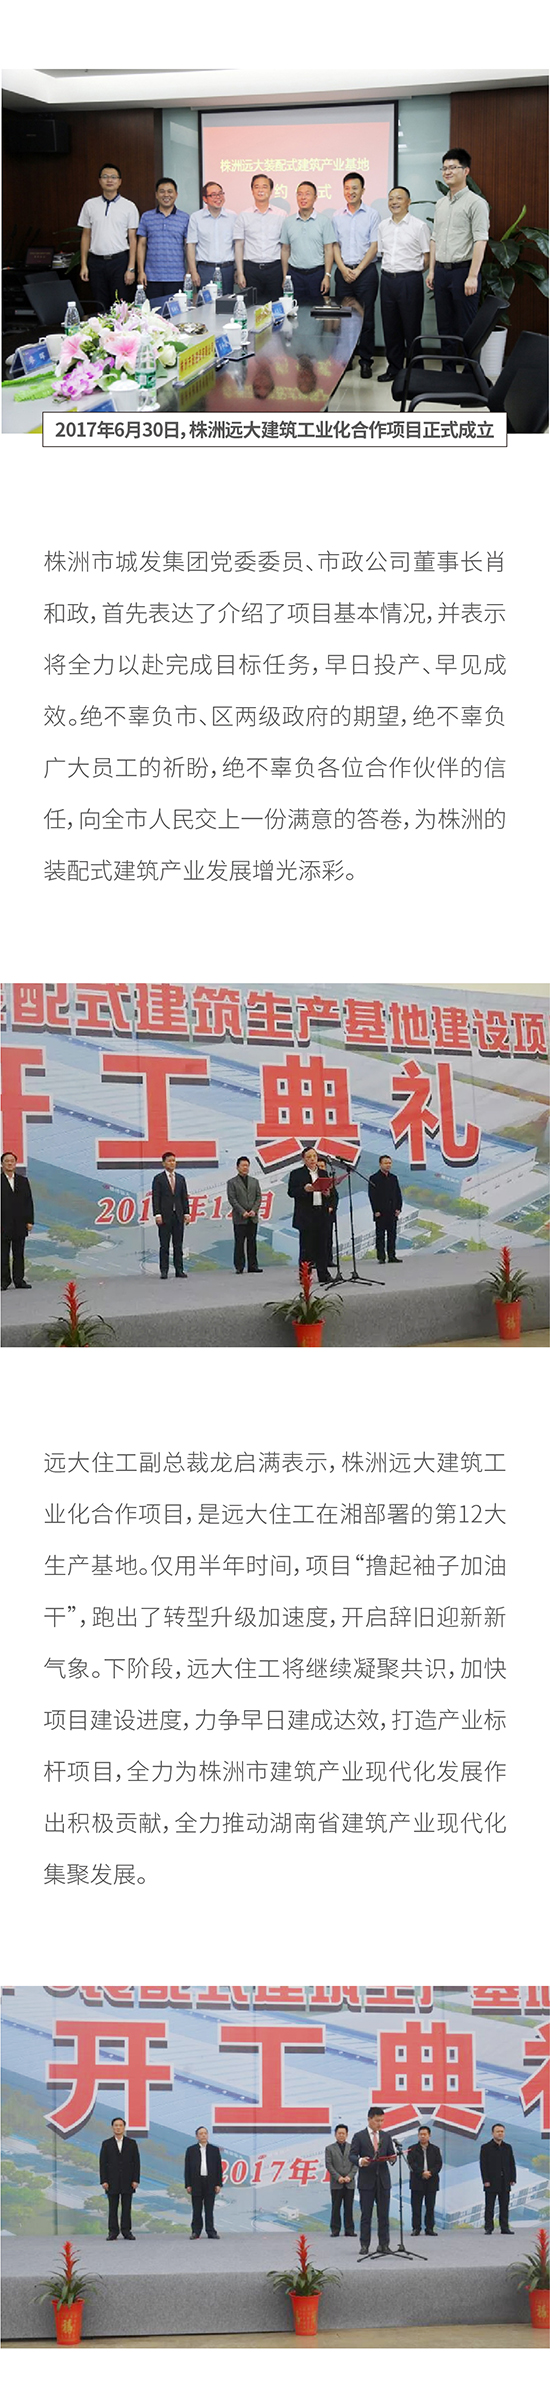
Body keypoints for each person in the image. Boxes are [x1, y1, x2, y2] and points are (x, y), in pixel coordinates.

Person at [427, 149, 489, 359]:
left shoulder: (476, 203)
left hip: (463, 272)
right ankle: (448, 371)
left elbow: (481, 240)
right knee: (445, 327)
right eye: (444, 168)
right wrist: (432, 271)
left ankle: (471, 375)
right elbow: (434, 238)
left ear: (466, 171)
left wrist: (472, 276)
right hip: (442, 273)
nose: (447, 172)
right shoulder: (441, 204)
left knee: (467, 328)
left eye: (453, 167)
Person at [377, 187, 430, 382]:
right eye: (391, 198)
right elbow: (383, 253)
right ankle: (394, 369)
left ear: (408, 202)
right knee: (390, 327)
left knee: (411, 328)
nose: (394, 202)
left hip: (410, 281)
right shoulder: (383, 226)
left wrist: (411, 273)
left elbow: (427, 257)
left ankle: (416, 371)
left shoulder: (419, 226)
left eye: (399, 198)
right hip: (387, 281)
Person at [332, 172, 380, 379]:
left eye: (354, 188)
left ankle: (366, 361)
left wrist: (359, 269)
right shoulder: (336, 216)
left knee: (366, 318)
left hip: (366, 272)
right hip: (343, 272)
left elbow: (374, 245)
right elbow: (334, 245)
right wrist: (343, 269)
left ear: (362, 190)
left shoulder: (372, 215)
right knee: (344, 318)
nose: (350, 192)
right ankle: (347, 358)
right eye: (347, 188)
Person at [78, 164, 138, 311]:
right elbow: (86, 236)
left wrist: (131, 268)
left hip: (119, 262)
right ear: (99, 181)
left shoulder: (129, 206)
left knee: (121, 305)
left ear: (120, 181)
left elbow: (133, 239)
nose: (109, 180)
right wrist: (84, 264)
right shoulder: (90, 205)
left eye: (113, 177)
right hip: (96, 262)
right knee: (100, 304)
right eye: (105, 177)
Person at [351, 2105, 396, 2257]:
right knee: (366, 2215)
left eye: (382, 2121)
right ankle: (364, 2245)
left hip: (383, 2181)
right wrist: (360, 2161)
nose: (380, 2124)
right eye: (377, 2120)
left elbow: (391, 2154)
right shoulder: (359, 2136)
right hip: (366, 2181)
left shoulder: (386, 2136)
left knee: (383, 2215)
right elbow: (352, 2155)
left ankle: (384, 2244)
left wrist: (393, 2158)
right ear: (369, 2119)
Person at [234, 175, 287, 305]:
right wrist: (240, 272)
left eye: (264, 187)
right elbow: (239, 245)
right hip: (251, 269)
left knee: (276, 308)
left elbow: (285, 247)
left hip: (275, 269)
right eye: (256, 187)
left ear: (271, 190)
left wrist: (285, 275)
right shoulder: (244, 215)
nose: (260, 190)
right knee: (252, 308)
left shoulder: (281, 215)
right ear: (252, 190)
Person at [137, 178, 190, 307]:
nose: (166, 195)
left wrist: (189, 272)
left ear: (176, 194)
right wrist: (141, 271)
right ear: (156, 195)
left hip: (177, 277)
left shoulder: (185, 218)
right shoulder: (147, 217)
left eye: (170, 191)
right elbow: (141, 245)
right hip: (151, 278)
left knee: (177, 314)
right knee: (153, 314)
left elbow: (188, 246)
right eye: (162, 191)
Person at [288, 1145, 336, 1284]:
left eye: (314, 1156)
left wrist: (327, 1193)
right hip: (306, 1215)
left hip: (321, 1213)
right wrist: (304, 1189)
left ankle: (323, 1274)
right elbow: (291, 1192)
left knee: (322, 1246)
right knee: (306, 1248)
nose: (312, 1159)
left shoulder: (323, 1173)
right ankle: (305, 1276)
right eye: (309, 1157)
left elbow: (330, 1193)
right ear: (303, 1159)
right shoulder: (297, 1174)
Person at [280, 182, 333, 306]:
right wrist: (285, 277)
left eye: (307, 194)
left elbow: (328, 249)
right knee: (293, 311)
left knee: (318, 312)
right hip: (294, 275)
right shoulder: (288, 222)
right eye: (299, 194)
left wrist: (327, 276)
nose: (303, 197)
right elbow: (285, 250)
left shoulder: (324, 221)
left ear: (315, 198)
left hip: (317, 275)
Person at [187, 182, 238, 295]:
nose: (218, 197)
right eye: (213, 195)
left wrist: (237, 270)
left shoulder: (233, 216)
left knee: (226, 303)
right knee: (205, 303)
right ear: (205, 199)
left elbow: (237, 245)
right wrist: (193, 272)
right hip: (205, 269)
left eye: (220, 194)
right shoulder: (196, 217)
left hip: (227, 269)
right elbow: (191, 245)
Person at [99, 2117, 140, 2241]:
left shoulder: (131, 2143)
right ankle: (113, 2232)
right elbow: (103, 2163)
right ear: (112, 2128)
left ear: (124, 2127)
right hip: (111, 2181)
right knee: (113, 2208)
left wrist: (135, 2180)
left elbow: (136, 2163)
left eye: (120, 2125)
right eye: (116, 2125)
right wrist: (104, 2180)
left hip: (128, 2181)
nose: (118, 2127)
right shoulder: (106, 2144)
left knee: (126, 2208)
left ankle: (126, 2231)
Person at [151, 1151, 190, 1279]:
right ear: (163, 1163)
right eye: (169, 1161)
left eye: (173, 1160)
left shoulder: (180, 1178)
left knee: (178, 1245)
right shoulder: (158, 1179)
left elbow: (184, 1197)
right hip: (164, 1216)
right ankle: (164, 1270)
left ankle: (179, 1270)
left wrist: (186, 1213)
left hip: (178, 1215)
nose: (172, 1163)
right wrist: (157, 1214)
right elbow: (156, 1197)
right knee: (164, 1245)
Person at [1, 1151, 34, 1290]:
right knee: (3, 1254)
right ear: (2, 1164)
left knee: (19, 1253)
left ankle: (19, 1280)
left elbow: (28, 1202)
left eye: (12, 1161)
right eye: (6, 1161)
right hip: (3, 1224)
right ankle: (4, 1281)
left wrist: (30, 1221)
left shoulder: (23, 1181)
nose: (9, 1163)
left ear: (15, 1164)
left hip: (20, 1223)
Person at [184, 2126, 223, 2237]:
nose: (203, 2135)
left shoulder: (214, 2150)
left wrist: (218, 2184)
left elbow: (219, 2168)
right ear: (197, 2136)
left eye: (205, 2133)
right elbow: (187, 2169)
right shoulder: (191, 2150)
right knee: (197, 2209)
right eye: (201, 2134)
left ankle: (211, 2231)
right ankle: (196, 2232)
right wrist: (188, 2184)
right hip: (196, 2183)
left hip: (210, 2183)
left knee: (209, 2209)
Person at [227, 1155, 263, 1275]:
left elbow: (259, 1197)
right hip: (240, 1218)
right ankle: (239, 1266)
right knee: (239, 1243)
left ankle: (253, 1266)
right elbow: (232, 1199)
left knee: (252, 1242)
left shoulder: (254, 1181)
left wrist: (254, 1210)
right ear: (237, 1167)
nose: (245, 1168)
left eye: (247, 1165)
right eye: (243, 1165)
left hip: (252, 1217)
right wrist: (242, 1212)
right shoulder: (232, 1182)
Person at [480, 2123, 516, 2235]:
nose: (500, 2133)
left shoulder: (508, 2147)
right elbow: (483, 2165)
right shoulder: (486, 2147)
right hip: (491, 2182)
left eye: (502, 2131)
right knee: (489, 2206)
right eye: (498, 2131)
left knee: (504, 2206)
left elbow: (511, 2164)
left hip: (505, 2181)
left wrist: (512, 2178)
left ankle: (504, 2227)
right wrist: (485, 2180)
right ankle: (489, 2227)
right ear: (493, 2133)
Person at [406, 2126, 442, 2236]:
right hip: (417, 2181)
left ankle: (429, 2228)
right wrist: (422, 2172)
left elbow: (439, 2164)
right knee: (416, 2207)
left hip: (432, 2181)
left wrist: (430, 2172)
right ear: (418, 2135)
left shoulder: (435, 2149)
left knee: (430, 2206)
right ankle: (416, 2228)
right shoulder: (412, 2149)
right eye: (420, 2134)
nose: (422, 2136)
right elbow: (411, 2164)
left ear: (429, 2135)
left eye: (425, 2134)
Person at [368, 1152, 403, 1264]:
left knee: (392, 1235)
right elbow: (372, 1196)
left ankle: (392, 1256)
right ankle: (381, 1257)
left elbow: (398, 1194)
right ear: (380, 1164)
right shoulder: (374, 1178)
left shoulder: (393, 1178)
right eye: (386, 1163)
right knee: (380, 1236)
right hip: (381, 1212)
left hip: (392, 1211)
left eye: (389, 1163)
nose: (388, 1165)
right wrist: (376, 1210)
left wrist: (398, 1208)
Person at [325, 2124, 356, 2236]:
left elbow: (355, 2164)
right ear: (335, 2134)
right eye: (339, 2133)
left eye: (343, 2133)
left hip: (349, 2183)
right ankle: (335, 2230)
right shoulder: (329, 2148)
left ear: (347, 2135)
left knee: (349, 2207)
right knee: (335, 2207)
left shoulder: (352, 2148)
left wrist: (349, 2177)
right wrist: (338, 2177)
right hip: (336, 2183)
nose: (341, 2135)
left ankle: (349, 2230)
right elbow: (329, 2165)